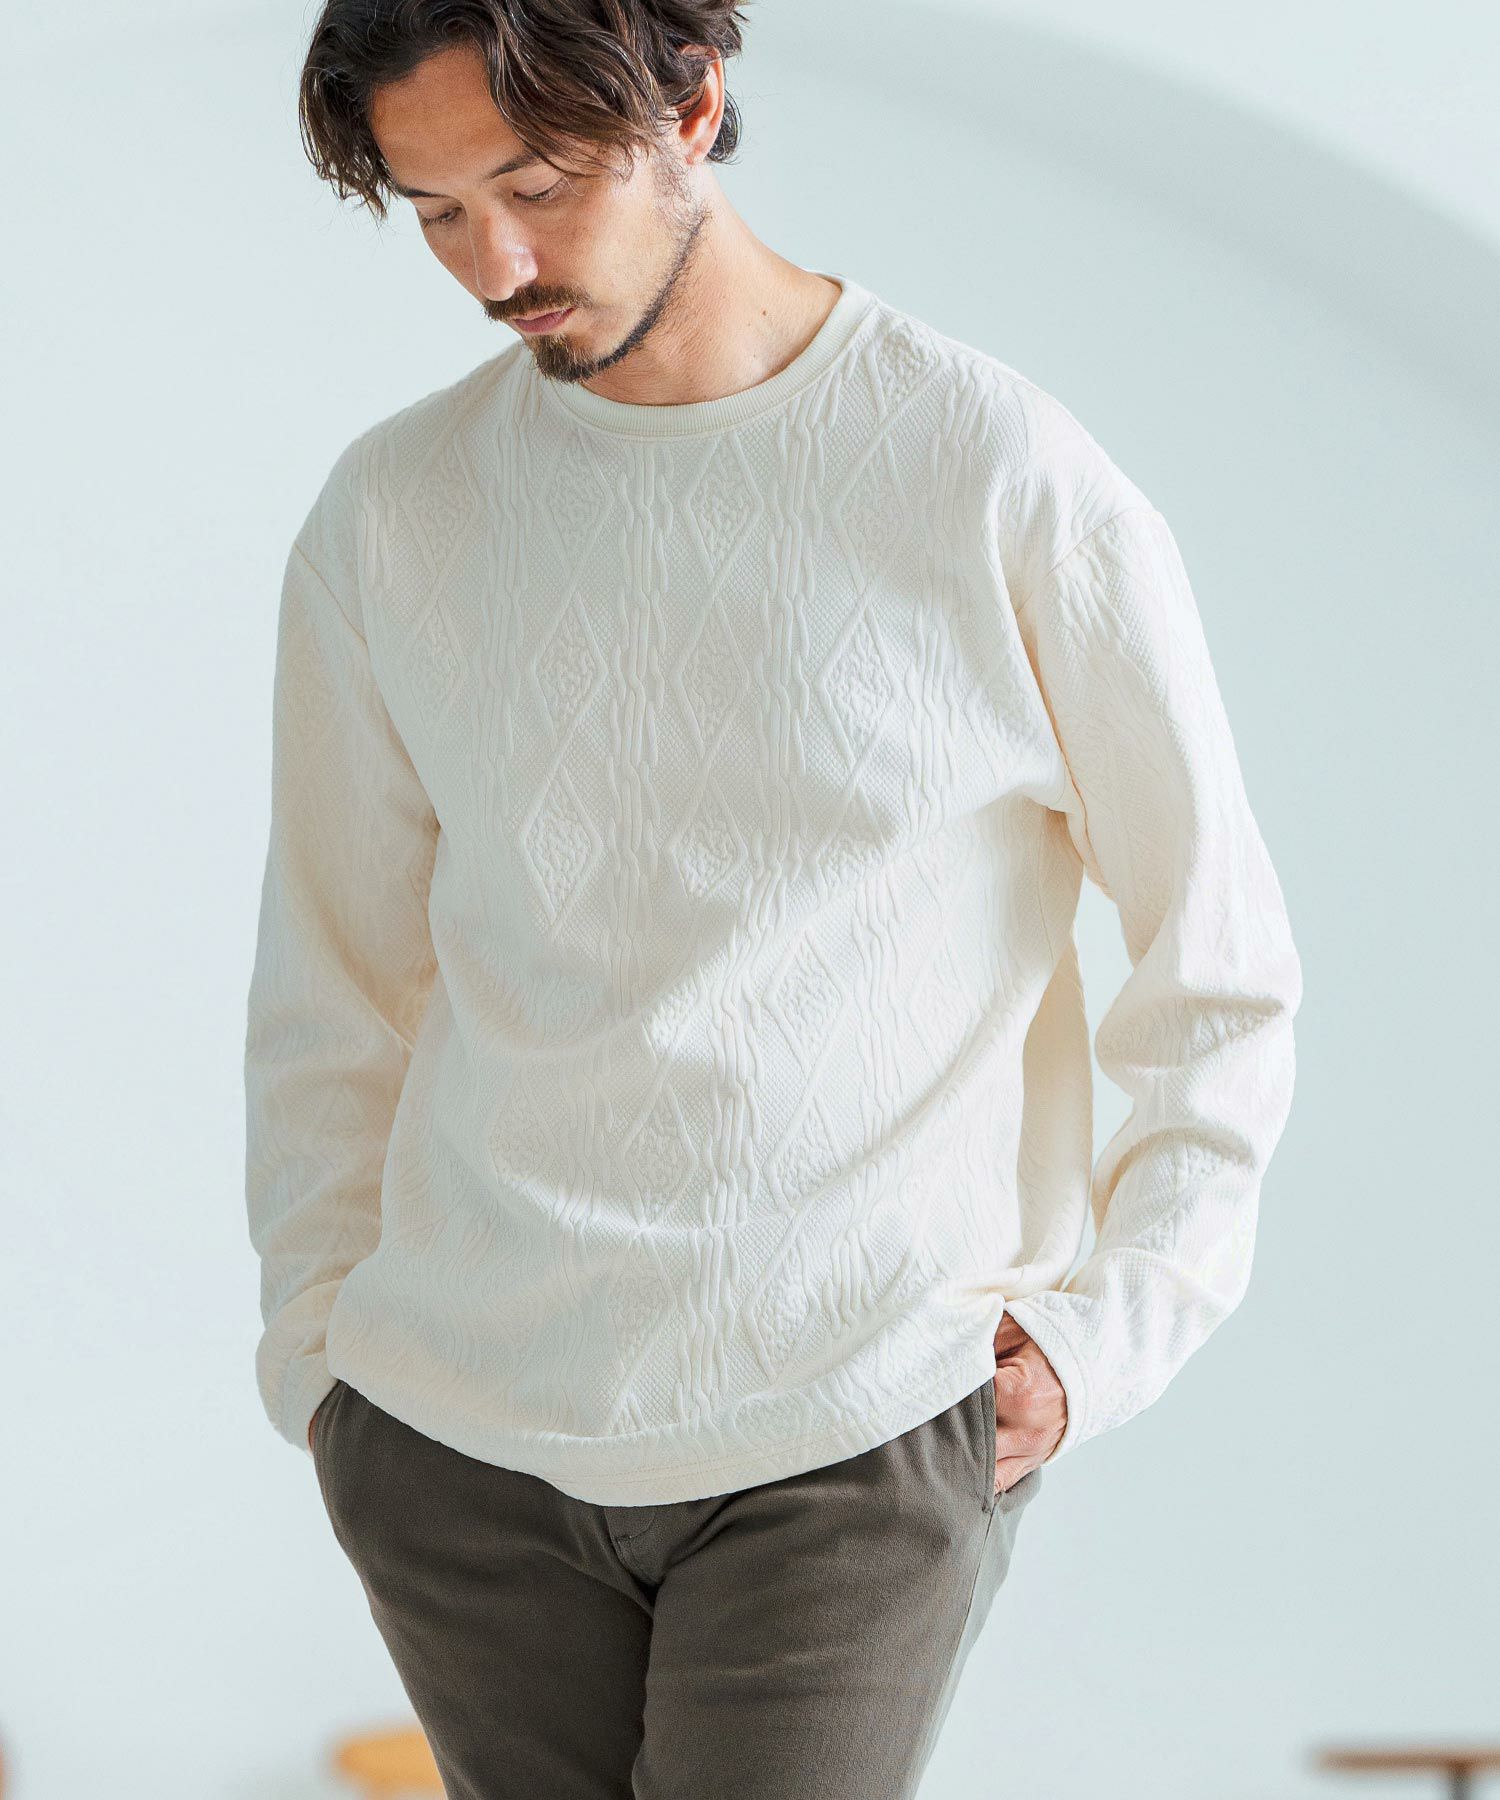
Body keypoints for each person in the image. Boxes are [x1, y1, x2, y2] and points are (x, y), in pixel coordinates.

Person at [242, 4, 1303, 1795]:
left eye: (537, 185)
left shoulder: (994, 473)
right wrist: (323, 1363)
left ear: (691, 104)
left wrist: (1106, 1334)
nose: (494, 267)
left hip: (857, 1417)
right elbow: (333, 986)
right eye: (437, 214)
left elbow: (1221, 967)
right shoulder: (393, 515)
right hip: (454, 1439)